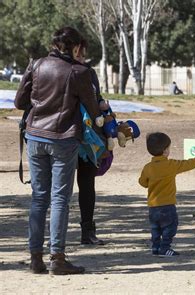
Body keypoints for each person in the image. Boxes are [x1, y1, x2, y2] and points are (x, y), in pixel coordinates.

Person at [14, 27, 101, 275]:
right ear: (75, 47)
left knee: (39, 198)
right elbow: (93, 111)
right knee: (60, 199)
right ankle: (58, 258)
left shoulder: (36, 64)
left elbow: (20, 102)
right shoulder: (80, 72)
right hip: (63, 138)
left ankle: (35, 258)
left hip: (34, 137)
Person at [139, 132, 195, 257]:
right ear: (165, 151)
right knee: (170, 227)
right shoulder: (171, 165)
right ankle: (165, 248)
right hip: (167, 205)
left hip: (153, 206)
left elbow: (142, 182)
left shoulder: (148, 167)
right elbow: (186, 164)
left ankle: (156, 247)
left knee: (155, 228)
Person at [75, 41, 109, 245]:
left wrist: (104, 108)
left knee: (87, 183)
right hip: (65, 135)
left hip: (88, 136)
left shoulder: (89, 72)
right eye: (77, 54)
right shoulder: (63, 71)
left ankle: (87, 231)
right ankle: (50, 236)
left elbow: (95, 97)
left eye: (83, 55)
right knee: (58, 187)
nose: (81, 58)